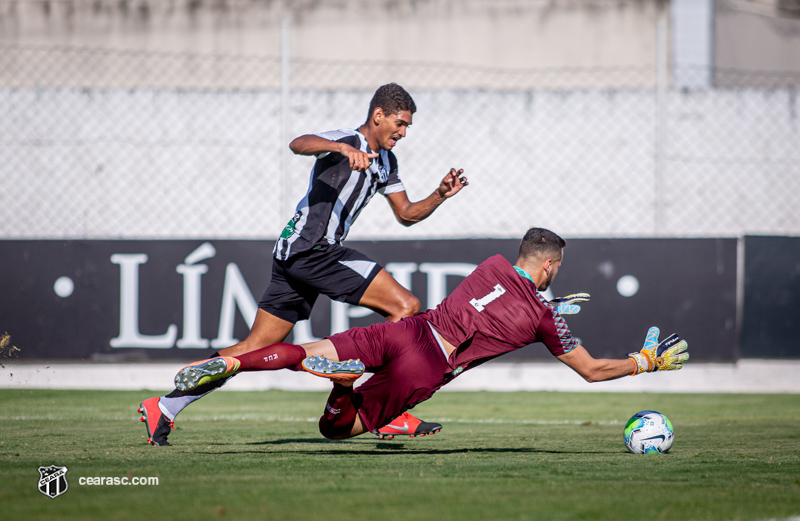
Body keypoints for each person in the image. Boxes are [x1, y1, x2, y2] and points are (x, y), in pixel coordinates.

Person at [138, 83, 469, 445]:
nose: (404, 132)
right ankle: (382, 411)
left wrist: (439, 195)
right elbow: (299, 142)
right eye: (400, 123)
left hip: (295, 255)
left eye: (407, 126)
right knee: (406, 307)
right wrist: (340, 148)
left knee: (251, 350)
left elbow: (406, 214)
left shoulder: (387, 162)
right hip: (313, 250)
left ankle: (164, 408)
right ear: (378, 116)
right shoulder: (345, 141)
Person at [171, 227, 690, 441]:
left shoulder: (490, 266)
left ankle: (236, 363)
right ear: (552, 266)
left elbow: (510, 297)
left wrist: (544, 303)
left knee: (302, 350)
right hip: (428, 365)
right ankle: (344, 387)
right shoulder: (543, 317)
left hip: (408, 331)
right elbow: (592, 371)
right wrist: (644, 361)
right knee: (336, 431)